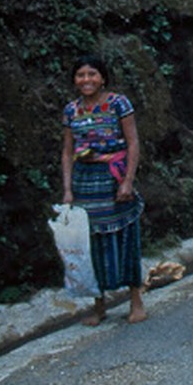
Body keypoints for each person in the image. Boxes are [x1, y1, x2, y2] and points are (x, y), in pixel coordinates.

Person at [60, 54, 147, 326]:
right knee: (90, 244)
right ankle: (99, 306)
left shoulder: (118, 104)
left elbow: (133, 143)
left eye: (92, 74)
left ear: (103, 78)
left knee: (126, 237)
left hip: (114, 178)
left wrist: (128, 181)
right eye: (81, 75)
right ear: (75, 81)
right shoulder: (71, 110)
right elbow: (66, 152)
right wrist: (67, 189)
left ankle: (136, 301)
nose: (86, 80)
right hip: (85, 182)